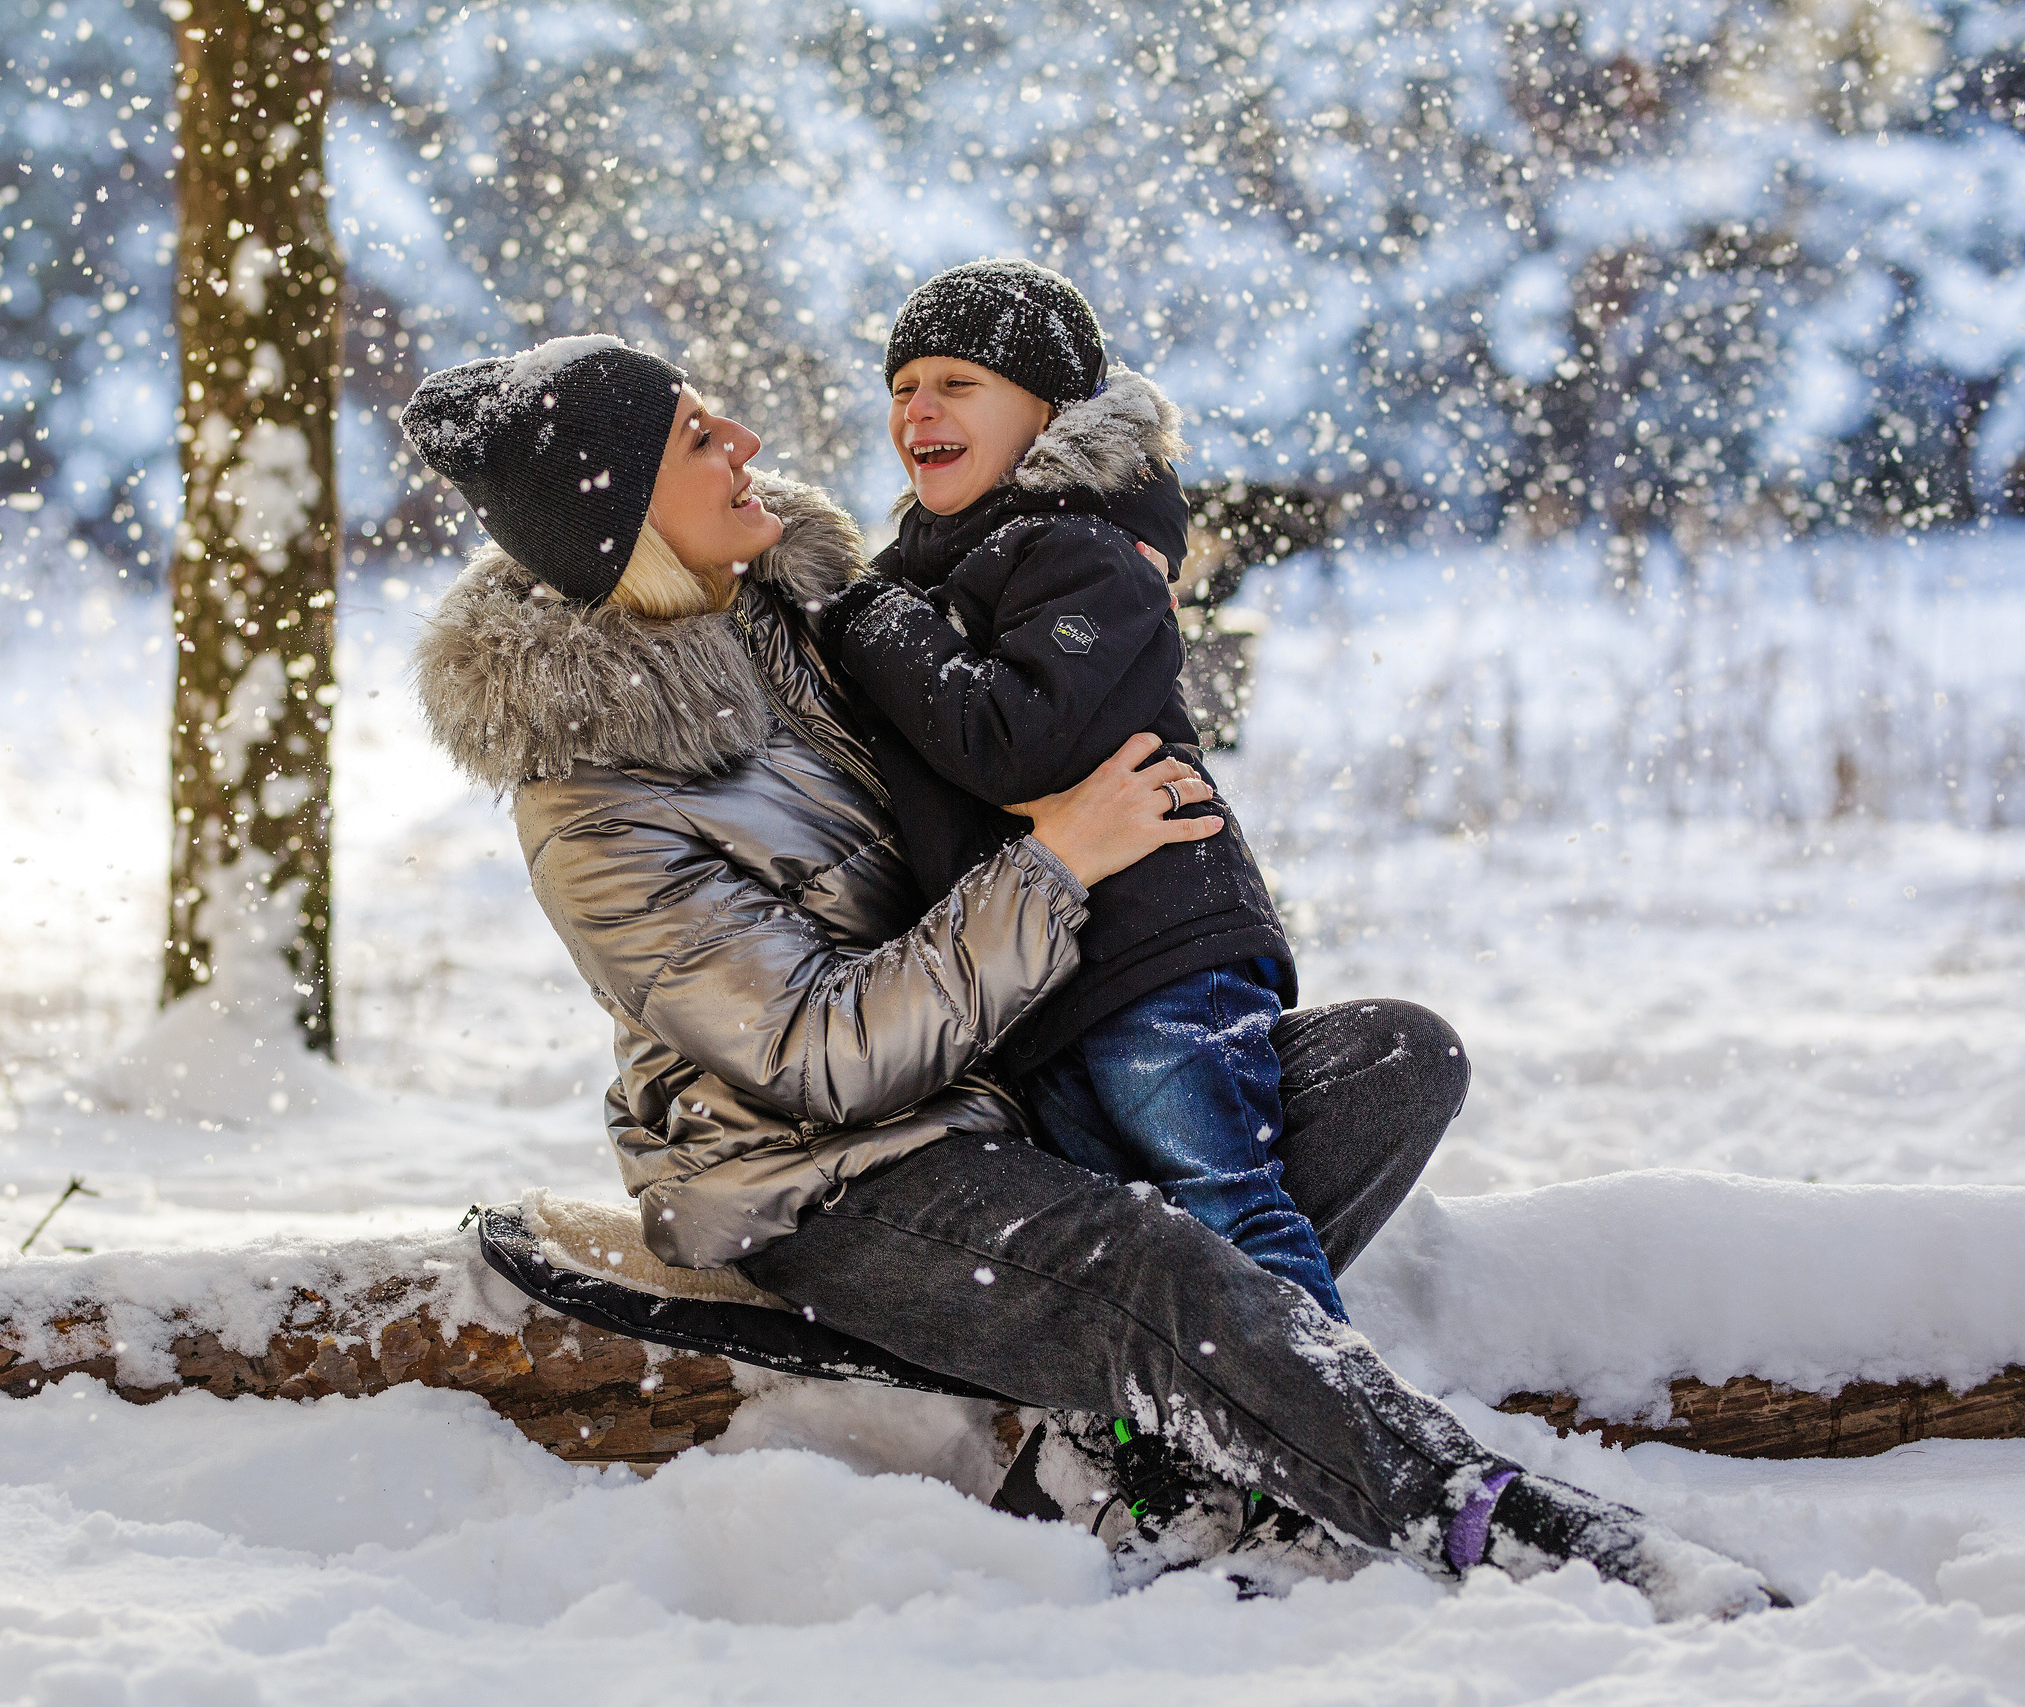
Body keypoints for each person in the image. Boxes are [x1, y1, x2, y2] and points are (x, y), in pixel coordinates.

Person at [403, 333, 1770, 1620]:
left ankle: (1122, 1452)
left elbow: (1023, 643)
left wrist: (1113, 600)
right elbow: (819, 1055)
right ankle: (1496, 1521)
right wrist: (1054, 864)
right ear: (627, 516)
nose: (749, 437)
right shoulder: (594, 806)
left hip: (1009, 1084)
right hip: (829, 1174)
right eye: (701, 436)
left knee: (1392, 1060)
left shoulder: (809, 615)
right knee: (1155, 1260)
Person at [819, 260, 1340, 1322]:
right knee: (1135, 1250)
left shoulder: (1085, 553)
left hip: (1157, 960)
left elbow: (1013, 742)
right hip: (1049, 982)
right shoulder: (933, 569)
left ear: (1047, 414)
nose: (918, 407)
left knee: (1226, 1210)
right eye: (903, 384)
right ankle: (1167, 1469)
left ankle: (1331, 1437)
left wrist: (871, 620)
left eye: (958, 383)